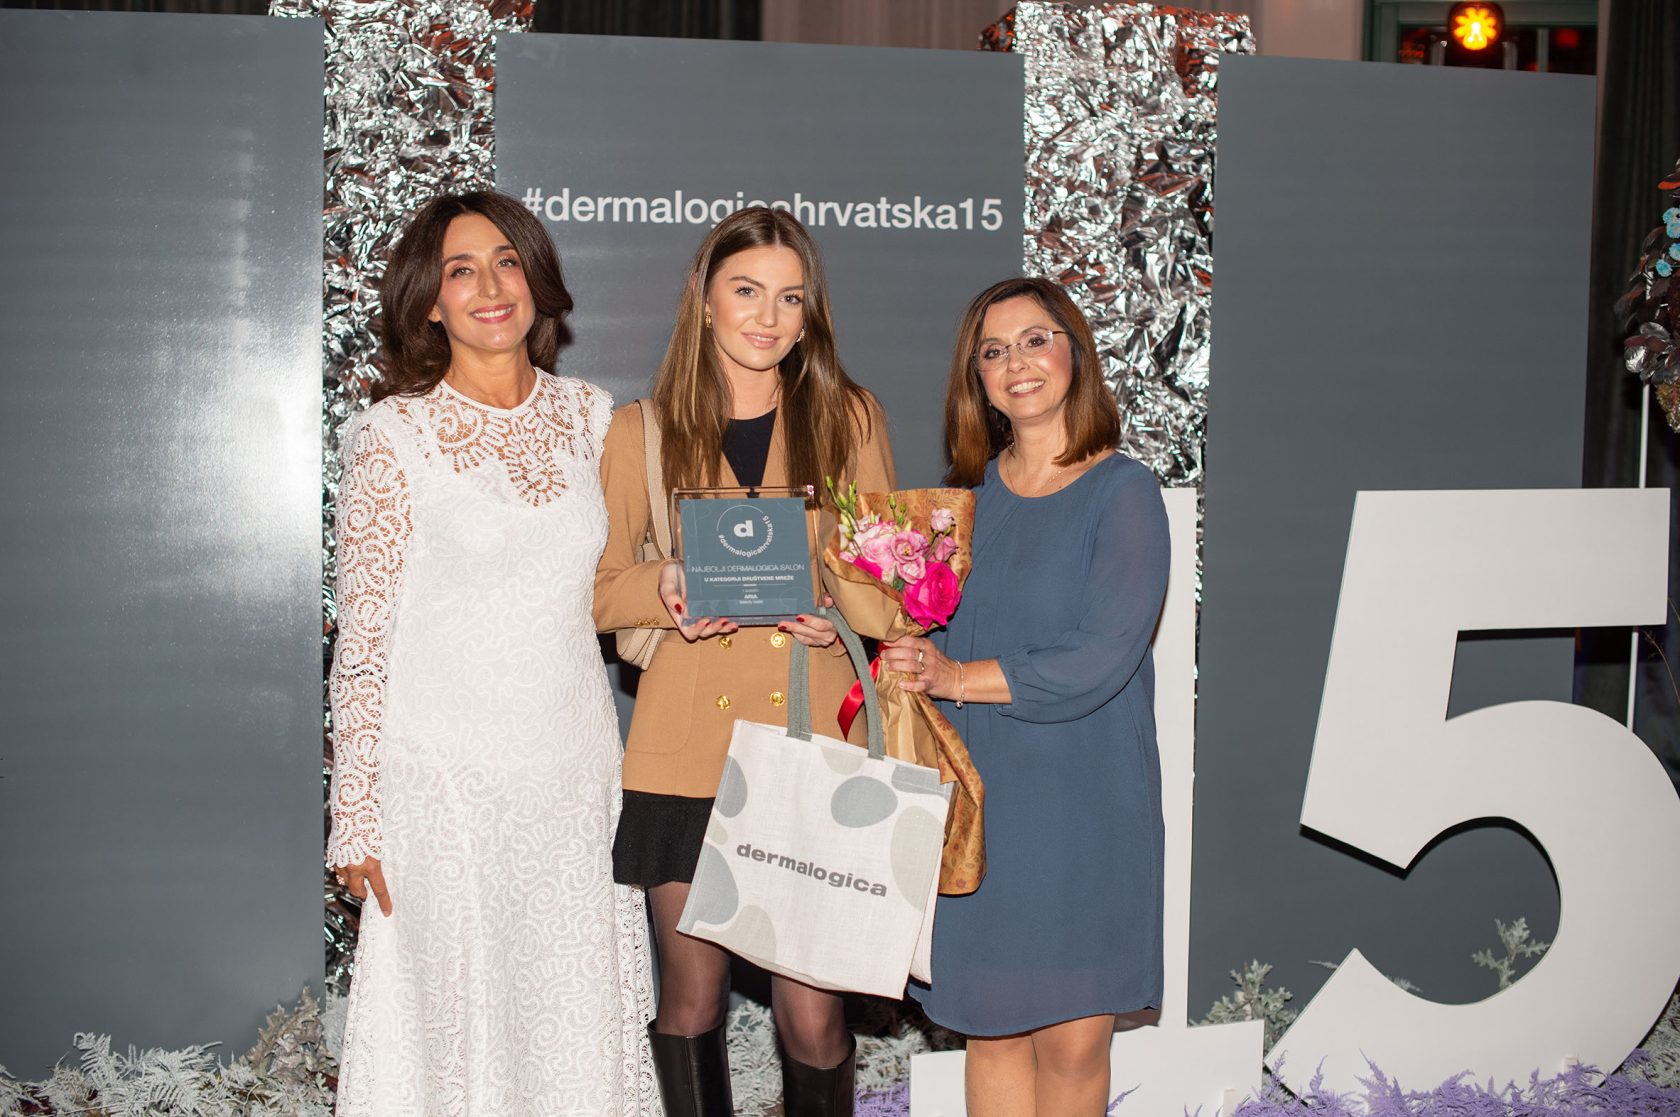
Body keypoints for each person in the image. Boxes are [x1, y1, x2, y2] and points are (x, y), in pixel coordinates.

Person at [326, 191, 658, 1115]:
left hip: (572, 774)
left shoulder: (593, 418)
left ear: (536, 279)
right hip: (444, 787)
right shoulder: (392, 436)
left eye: (507, 262)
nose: (490, 286)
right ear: (429, 301)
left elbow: (621, 583)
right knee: (453, 1022)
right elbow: (363, 641)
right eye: (461, 270)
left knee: (569, 1013)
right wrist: (354, 816)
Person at [594, 205, 896, 1117]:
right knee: (691, 1002)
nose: (768, 316)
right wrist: (665, 582)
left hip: (809, 744)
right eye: (747, 290)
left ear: (810, 314)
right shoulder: (641, 431)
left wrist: (837, 614)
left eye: (790, 297)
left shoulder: (848, 417)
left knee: (812, 1016)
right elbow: (600, 590)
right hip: (686, 749)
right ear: (704, 297)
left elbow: (885, 590)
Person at [886, 277, 1169, 1117]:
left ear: (1074, 352)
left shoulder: (1124, 491)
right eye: (994, 350)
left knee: (1074, 1041)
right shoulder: (960, 508)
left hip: (1086, 797)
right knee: (994, 1030)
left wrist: (956, 678)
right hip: (982, 798)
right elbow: (924, 633)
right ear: (976, 378)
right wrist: (864, 637)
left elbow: (1103, 654)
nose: (1018, 362)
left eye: (1036, 339)